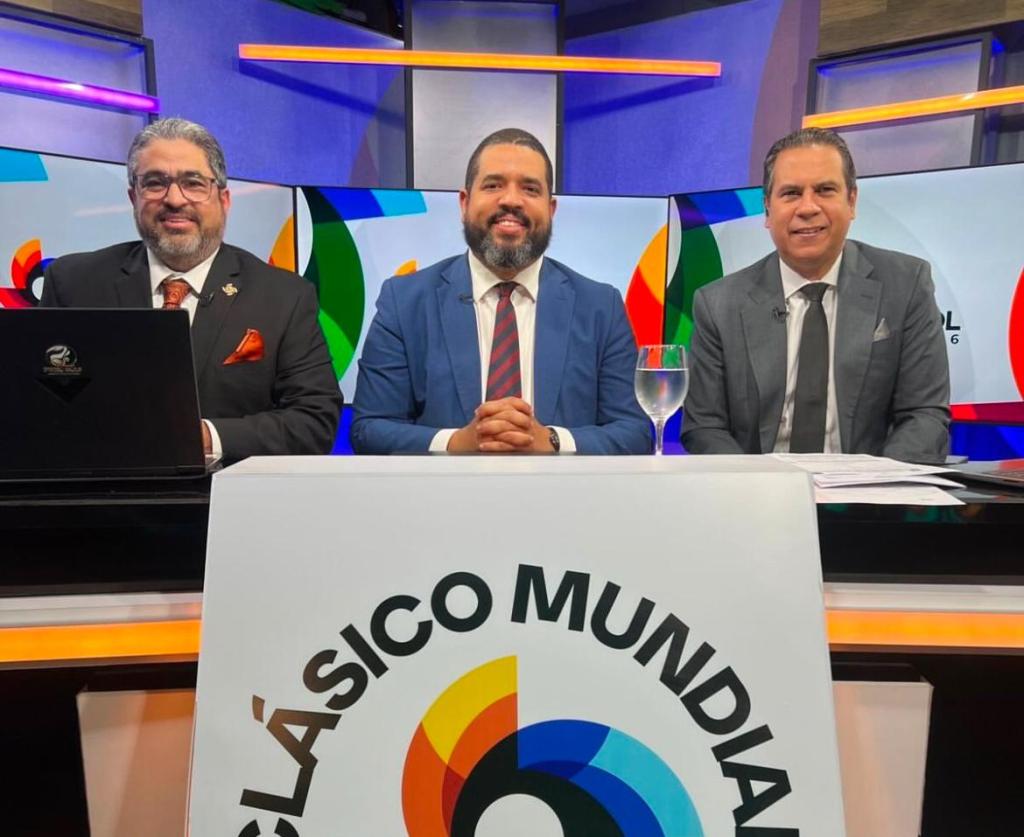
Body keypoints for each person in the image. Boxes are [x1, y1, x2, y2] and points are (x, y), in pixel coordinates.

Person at [41, 117, 341, 462]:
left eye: (193, 183)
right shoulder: (73, 282)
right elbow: (37, 405)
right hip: (100, 488)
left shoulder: (284, 297)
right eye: (155, 183)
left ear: (224, 199)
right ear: (133, 197)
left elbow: (314, 422)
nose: (174, 199)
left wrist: (204, 437)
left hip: (227, 491)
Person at [350, 127, 650, 455]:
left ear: (551, 209)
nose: (510, 200)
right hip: (446, 488)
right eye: (493, 185)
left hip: (560, 488)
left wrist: (551, 441)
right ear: (464, 203)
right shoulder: (404, 301)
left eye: (530, 189)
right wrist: (455, 443)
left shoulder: (601, 307)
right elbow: (369, 429)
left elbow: (634, 434)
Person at [682, 127, 950, 463]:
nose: (808, 207)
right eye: (791, 193)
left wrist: (877, 484)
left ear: (851, 201)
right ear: (767, 210)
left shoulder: (906, 283)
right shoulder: (718, 304)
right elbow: (704, 427)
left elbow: (924, 415)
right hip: (757, 488)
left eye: (824, 190)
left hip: (868, 488)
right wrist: (752, 483)